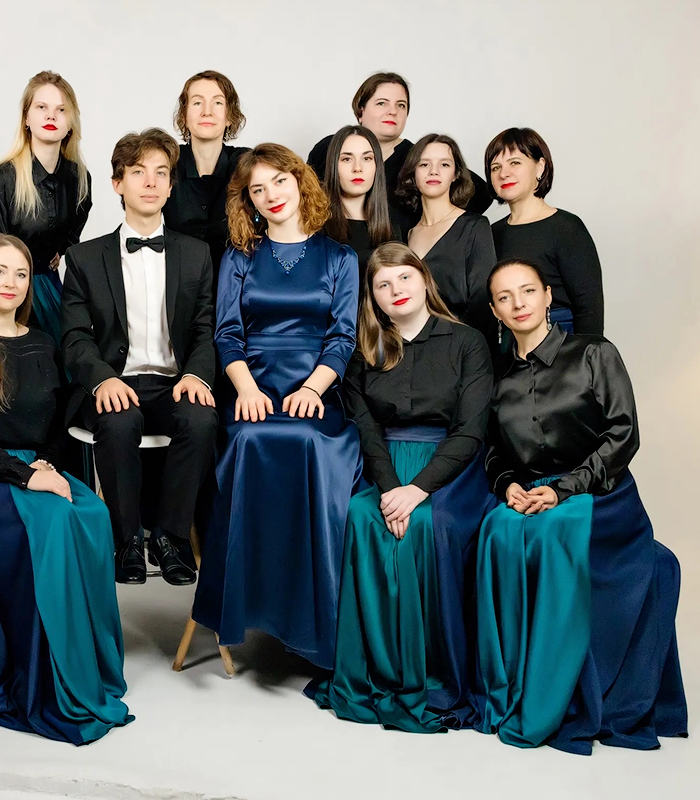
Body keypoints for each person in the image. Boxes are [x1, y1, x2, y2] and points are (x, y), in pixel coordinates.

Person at [472, 259, 687, 753]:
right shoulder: (497, 379)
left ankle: (565, 699)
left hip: (601, 494)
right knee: (497, 531)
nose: (518, 303)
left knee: (554, 533)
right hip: (533, 490)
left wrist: (566, 489)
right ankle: (515, 686)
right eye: (505, 297)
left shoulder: (594, 352)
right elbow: (494, 451)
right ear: (495, 311)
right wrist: (507, 485)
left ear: (548, 296)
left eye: (528, 291)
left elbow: (623, 433)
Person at [0, 233, 132, 744]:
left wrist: (47, 462)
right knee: (52, 520)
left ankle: (84, 665)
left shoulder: (44, 342)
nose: (11, 282)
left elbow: (59, 418)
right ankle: (44, 674)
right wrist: (27, 476)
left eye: (21, 274)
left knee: (92, 516)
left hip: (37, 465)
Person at [306, 243, 493, 732]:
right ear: (373, 297)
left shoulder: (467, 342)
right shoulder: (365, 350)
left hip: (450, 468)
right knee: (362, 515)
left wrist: (418, 490)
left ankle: (429, 673)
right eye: (383, 285)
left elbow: (471, 431)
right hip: (387, 466)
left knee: (425, 524)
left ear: (424, 279)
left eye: (404, 278)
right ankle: (375, 670)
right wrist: (391, 488)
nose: (396, 290)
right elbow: (366, 429)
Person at [191, 144, 361, 670]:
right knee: (248, 441)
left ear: (299, 181)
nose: (271, 196)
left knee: (311, 445)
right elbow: (227, 333)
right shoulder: (239, 257)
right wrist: (245, 389)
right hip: (252, 384)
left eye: (279, 182)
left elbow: (343, 336)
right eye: (257, 190)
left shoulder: (341, 258)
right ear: (249, 201)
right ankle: (252, 609)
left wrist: (313, 389)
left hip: (317, 387)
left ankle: (311, 620)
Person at [60, 128, 219, 586]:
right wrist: (102, 379)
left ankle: (170, 537)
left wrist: (197, 375)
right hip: (116, 380)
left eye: (161, 173)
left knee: (202, 420)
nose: (150, 182)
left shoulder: (196, 254)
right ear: (118, 183)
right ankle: (126, 539)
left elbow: (205, 330)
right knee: (117, 420)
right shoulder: (84, 258)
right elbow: (75, 337)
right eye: (138, 172)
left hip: (174, 382)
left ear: (170, 186)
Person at [0, 70, 92, 346]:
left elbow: (76, 225)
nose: (51, 116)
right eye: (41, 108)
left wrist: (61, 250)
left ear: (71, 122)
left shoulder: (79, 178)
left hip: (50, 287)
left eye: (61, 110)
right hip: (8, 295)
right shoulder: (2, 180)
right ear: (26, 118)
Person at [307, 72, 492, 230]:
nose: (393, 111)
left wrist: (437, 234)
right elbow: (306, 199)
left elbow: (481, 194)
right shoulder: (329, 148)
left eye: (401, 105)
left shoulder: (419, 158)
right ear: (360, 110)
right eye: (382, 103)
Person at [487, 127, 603, 335]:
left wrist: (587, 354)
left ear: (540, 167)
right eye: (495, 167)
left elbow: (589, 310)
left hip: (562, 341)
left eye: (515, 163)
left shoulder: (567, 227)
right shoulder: (490, 233)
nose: (504, 174)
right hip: (508, 343)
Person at [396, 133, 496, 336]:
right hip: (411, 345)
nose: (433, 171)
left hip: (463, 343)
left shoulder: (475, 226)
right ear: (413, 174)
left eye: (444, 164)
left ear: (456, 174)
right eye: (424, 164)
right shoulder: (406, 235)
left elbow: (483, 302)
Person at [162, 69, 251, 284]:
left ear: (230, 116)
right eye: (197, 103)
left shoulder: (247, 164)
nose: (207, 112)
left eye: (217, 103)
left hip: (237, 284)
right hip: (177, 284)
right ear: (184, 115)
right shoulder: (165, 163)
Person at [320, 125, 398, 278]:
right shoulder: (314, 227)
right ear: (333, 166)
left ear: (377, 166)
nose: (357, 168)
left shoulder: (394, 230)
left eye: (367, 158)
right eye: (347, 159)